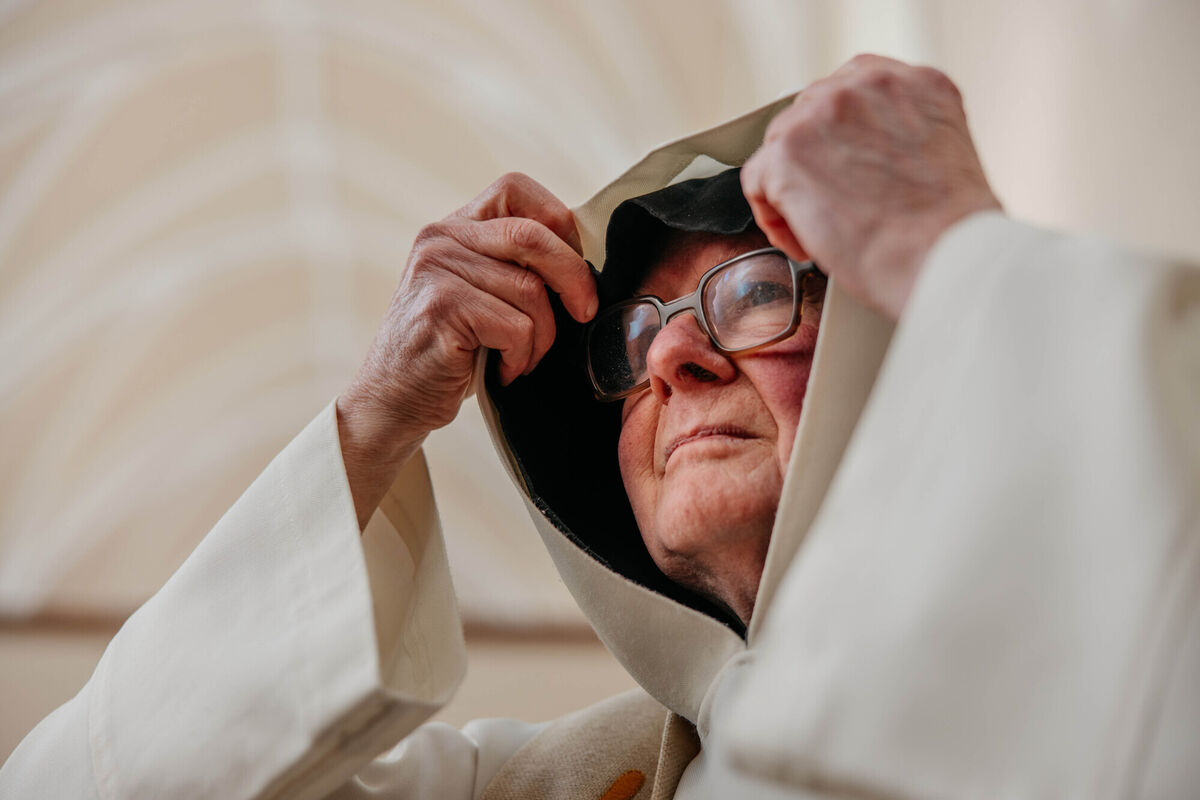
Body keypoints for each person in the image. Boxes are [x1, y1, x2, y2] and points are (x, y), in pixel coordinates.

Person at [3, 54, 1198, 799]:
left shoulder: (1103, 641)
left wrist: (951, 252)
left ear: (892, 343)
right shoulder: (552, 785)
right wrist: (372, 422)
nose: (672, 354)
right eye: (627, 342)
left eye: (753, 290)